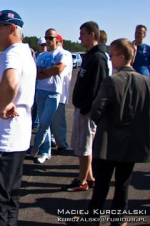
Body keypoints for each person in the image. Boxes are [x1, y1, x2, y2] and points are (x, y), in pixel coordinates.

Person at [83, 38, 150, 225]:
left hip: (108, 142)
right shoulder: (146, 83)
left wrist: (104, 124)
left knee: (102, 185)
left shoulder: (112, 81)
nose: (110, 59)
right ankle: (118, 220)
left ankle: (92, 219)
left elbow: (96, 110)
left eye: (112, 56)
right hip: (132, 143)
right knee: (123, 184)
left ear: (122, 56)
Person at [0, 10, 36, 226]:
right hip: (15, 140)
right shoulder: (26, 53)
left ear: (12, 29)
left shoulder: (12, 53)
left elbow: (11, 82)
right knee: (10, 199)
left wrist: (3, 106)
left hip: (2, 141)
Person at [62, 21, 108, 192]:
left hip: (87, 111)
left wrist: (87, 108)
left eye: (82, 34)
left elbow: (97, 87)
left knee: (85, 147)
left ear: (92, 35)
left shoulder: (98, 58)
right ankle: (89, 177)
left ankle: (82, 182)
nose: (79, 37)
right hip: (82, 108)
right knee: (81, 145)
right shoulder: (88, 55)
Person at [31, 28, 67, 164]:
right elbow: (36, 74)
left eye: (51, 38)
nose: (48, 41)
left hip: (53, 92)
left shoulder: (62, 54)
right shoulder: (41, 56)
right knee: (42, 123)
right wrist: (49, 71)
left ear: (56, 39)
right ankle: (45, 151)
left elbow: (59, 69)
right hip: (40, 90)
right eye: (46, 38)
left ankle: (36, 146)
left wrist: (44, 71)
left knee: (45, 122)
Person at [50, 34, 72, 152]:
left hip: (60, 93)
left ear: (60, 42)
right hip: (49, 91)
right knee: (48, 120)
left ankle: (62, 143)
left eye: (55, 41)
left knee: (58, 120)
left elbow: (58, 71)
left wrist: (46, 71)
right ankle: (52, 140)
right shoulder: (49, 54)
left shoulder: (65, 55)